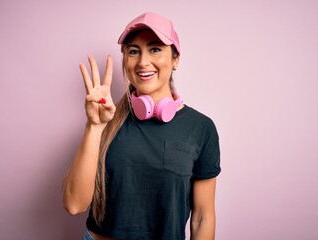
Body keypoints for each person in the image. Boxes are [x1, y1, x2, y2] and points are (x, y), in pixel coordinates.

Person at [63, 12, 221, 240]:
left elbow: (202, 216)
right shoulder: (106, 119)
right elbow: (74, 204)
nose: (143, 62)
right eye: (134, 51)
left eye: (155, 49)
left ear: (175, 59)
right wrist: (94, 126)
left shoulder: (201, 128)